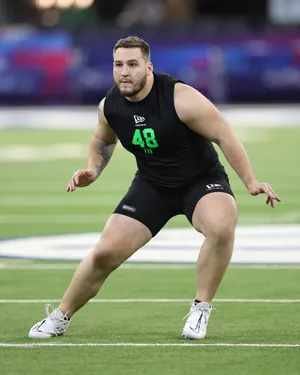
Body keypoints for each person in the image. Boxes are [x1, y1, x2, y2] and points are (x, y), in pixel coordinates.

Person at [28, 36, 281, 340]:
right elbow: (103, 140)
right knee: (104, 253)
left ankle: (201, 308)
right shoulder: (110, 105)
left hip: (199, 180)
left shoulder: (181, 97)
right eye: (118, 65)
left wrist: (250, 181)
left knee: (221, 226)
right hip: (152, 185)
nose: (124, 72)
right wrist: (92, 170)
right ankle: (60, 316)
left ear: (148, 68)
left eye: (132, 64)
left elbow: (225, 135)